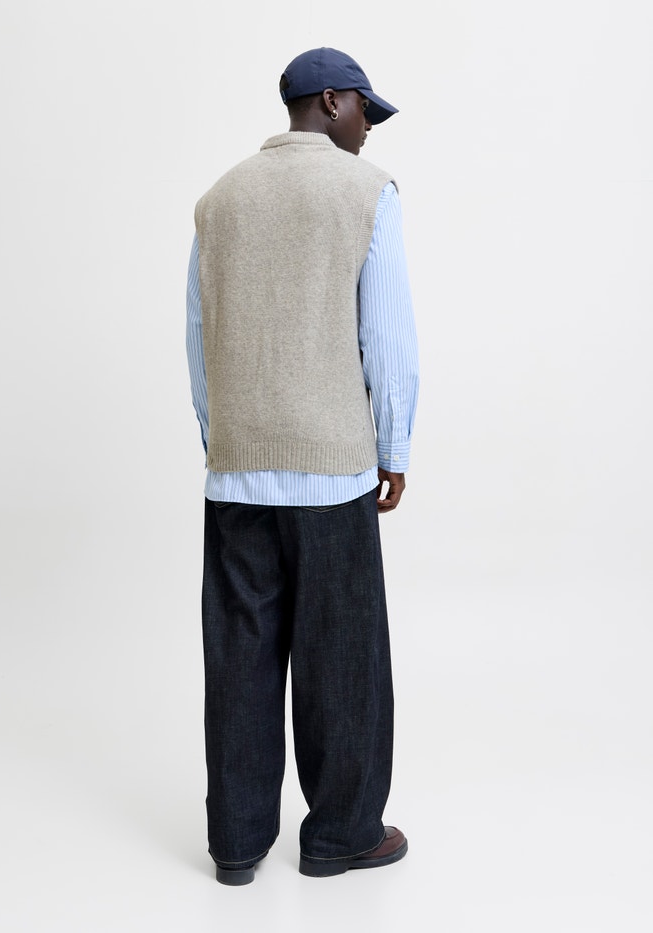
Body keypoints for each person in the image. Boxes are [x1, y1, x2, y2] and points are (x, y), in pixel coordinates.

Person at [185, 47, 420, 885]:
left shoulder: (219, 200)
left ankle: (236, 844)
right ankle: (342, 834)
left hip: (237, 475)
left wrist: (225, 438)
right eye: (364, 110)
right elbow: (387, 337)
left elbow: (199, 340)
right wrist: (394, 447)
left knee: (239, 660)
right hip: (333, 470)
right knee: (342, 660)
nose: (369, 128)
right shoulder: (367, 192)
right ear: (330, 102)